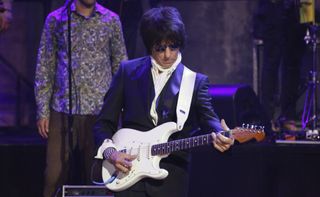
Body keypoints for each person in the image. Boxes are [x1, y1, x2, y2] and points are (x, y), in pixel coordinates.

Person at [94, 7, 234, 197]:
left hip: (171, 181)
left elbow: (209, 118)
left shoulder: (194, 81)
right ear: (149, 45)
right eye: (160, 48)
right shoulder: (127, 72)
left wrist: (220, 132)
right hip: (127, 176)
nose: (168, 55)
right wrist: (111, 153)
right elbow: (103, 123)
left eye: (173, 47)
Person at [34, 0, 127, 196]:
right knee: (53, 175)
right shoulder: (56, 20)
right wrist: (43, 110)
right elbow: (45, 65)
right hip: (62, 108)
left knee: (98, 175)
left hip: (99, 112)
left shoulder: (111, 20)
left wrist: (120, 108)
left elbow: (121, 67)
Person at [253, 0, 307, 133]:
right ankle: (267, 118)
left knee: (292, 66)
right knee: (271, 65)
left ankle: (288, 117)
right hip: (274, 8)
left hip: (297, 10)